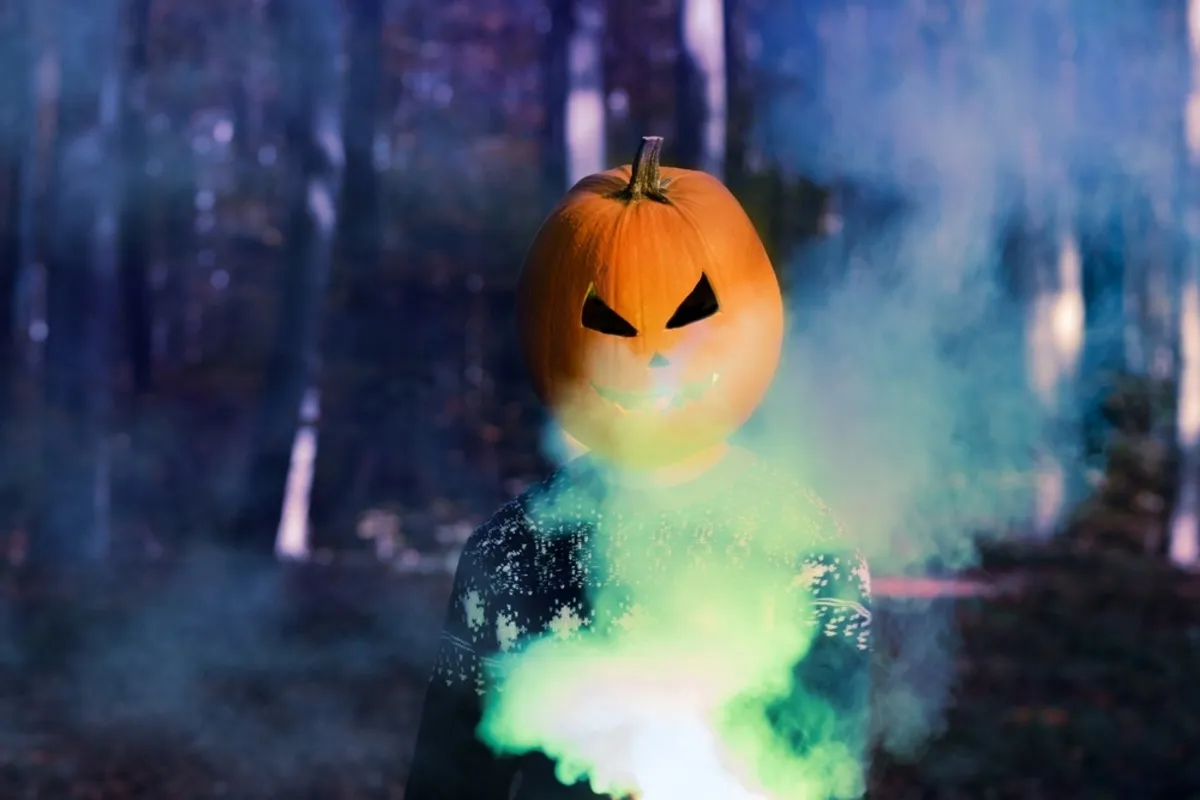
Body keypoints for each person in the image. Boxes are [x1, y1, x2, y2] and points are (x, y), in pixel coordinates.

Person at [405, 137, 872, 800]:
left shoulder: (807, 550)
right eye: (608, 321)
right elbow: (448, 783)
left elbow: (827, 770)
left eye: (691, 313)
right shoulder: (511, 553)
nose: (655, 355)